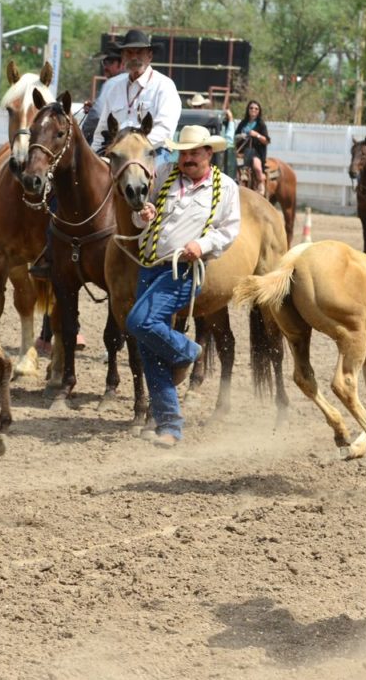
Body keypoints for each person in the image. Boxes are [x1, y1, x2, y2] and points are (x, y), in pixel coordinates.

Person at [126, 125, 241, 448]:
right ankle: (171, 426)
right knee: (148, 347)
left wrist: (202, 246)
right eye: (183, 153)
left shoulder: (225, 187)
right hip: (150, 265)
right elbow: (140, 215)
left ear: (209, 153)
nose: (187, 159)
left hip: (184, 269)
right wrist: (144, 214)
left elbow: (229, 231)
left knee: (138, 323)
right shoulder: (164, 174)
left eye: (194, 153)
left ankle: (188, 351)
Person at [89, 28, 181, 161]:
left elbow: (164, 131)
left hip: (153, 153)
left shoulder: (164, 86)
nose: (133, 57)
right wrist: (94, 156)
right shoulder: (115, 89)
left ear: (149, 55)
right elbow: (102, 129)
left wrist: (131, 147)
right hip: (117, 155)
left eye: (139, 52)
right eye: (129, 52)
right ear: (122, 56)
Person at [79, 43, 123, 143]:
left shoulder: (111, 83)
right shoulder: (132, 82)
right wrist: (93, 108)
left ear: (122, 64)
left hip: (109, 142)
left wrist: (82, 135)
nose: (105, 67)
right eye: (104, 62)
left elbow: (97, 116)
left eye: (110, 62)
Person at [234, 100, 270, 195]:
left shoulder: (261, 124)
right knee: (235, 169)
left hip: (256, 152)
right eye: (251, 108)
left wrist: (256, 135)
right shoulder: (243, 123)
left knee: (257, 167)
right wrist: (240, 136)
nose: (253, 110)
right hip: (242, 152)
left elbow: (266, 140)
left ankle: (261, 186)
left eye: (256, 108)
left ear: (259, 111)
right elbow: (235, 136)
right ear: (248, 110)